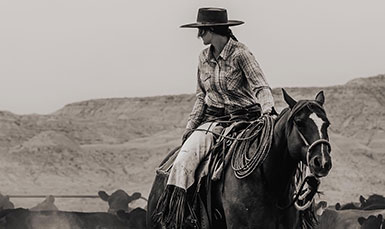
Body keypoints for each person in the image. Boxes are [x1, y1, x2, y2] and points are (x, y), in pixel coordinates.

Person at [154, 7, 275, 228]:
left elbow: (261, 86)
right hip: (214, 120)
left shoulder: (241, 54)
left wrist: (268, 110)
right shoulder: (203, 58)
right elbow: (201, 97)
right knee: (182, 162)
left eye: (201, 30)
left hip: (246, 119)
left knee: (278, 156)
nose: (199, 35)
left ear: (211, 30)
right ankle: (182, 217)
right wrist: (191, 126)